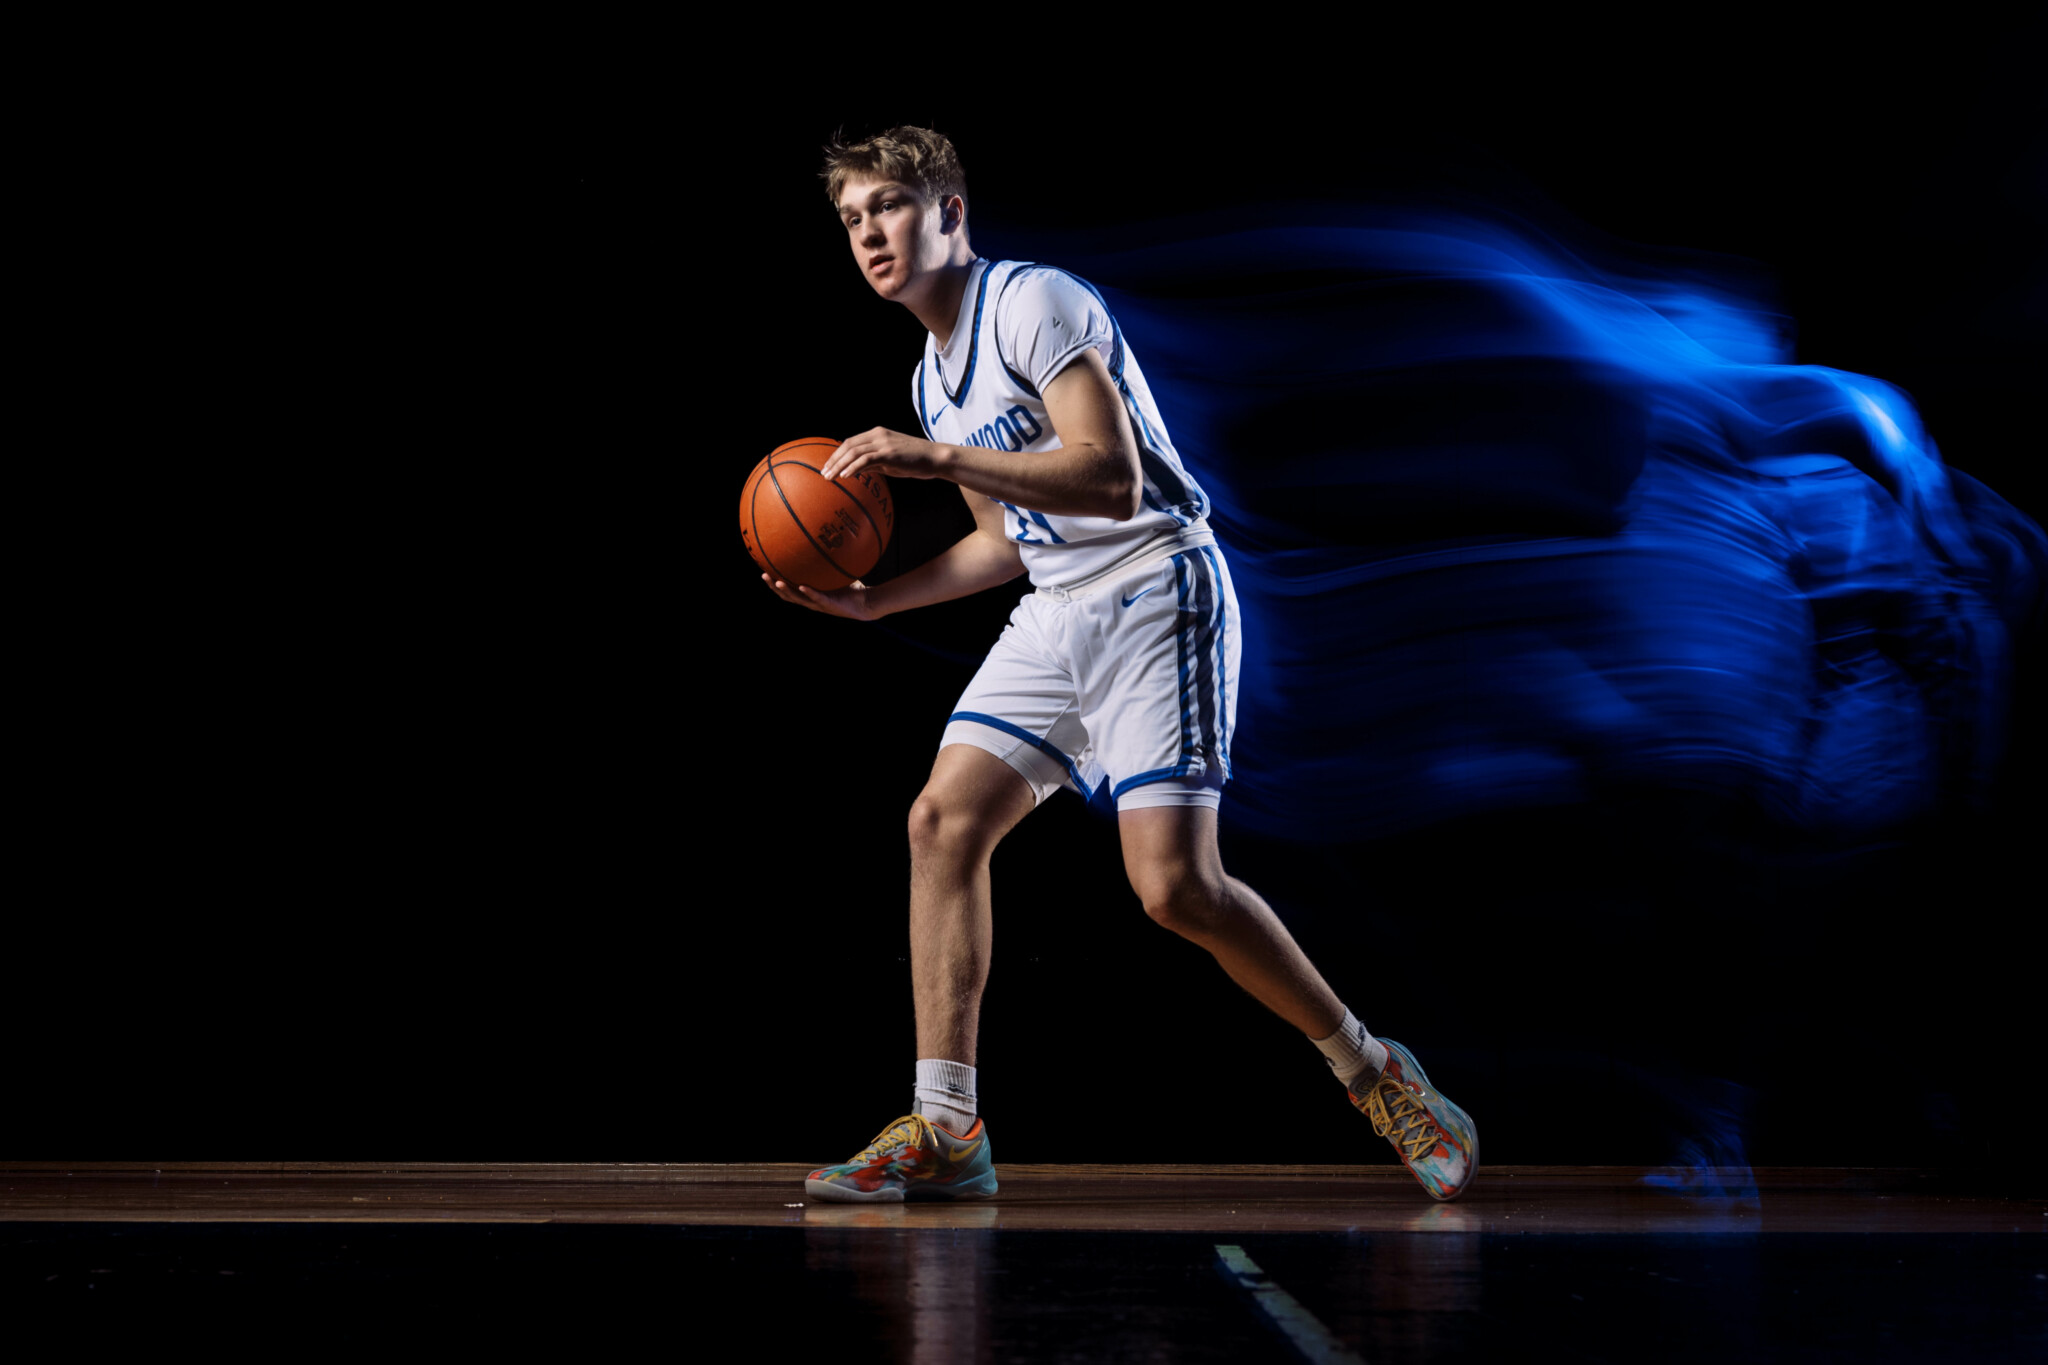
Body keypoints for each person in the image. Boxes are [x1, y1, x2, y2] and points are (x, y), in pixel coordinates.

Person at [762, 126, 1477, 1203]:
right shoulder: (930, 381)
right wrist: (877, 599)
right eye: (852, 218)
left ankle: (1372, 1071)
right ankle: (948, 1125)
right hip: (1060, 609)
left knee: (1174, 889)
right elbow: (1004, 541)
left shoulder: (1033, 303)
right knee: (940, 822)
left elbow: (1108, 482)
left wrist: (927, 457)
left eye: (890, 208)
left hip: (1156, 585)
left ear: (951, 213)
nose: (869, 233)